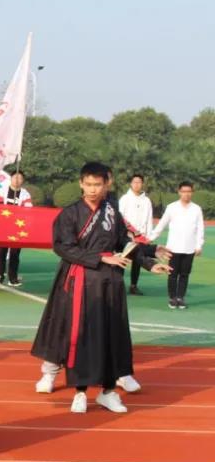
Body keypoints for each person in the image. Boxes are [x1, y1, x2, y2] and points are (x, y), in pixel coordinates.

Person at [31, 162, 170, 409]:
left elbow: (124, 242)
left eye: (98, 184)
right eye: (89, 184)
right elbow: (62, 246)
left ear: (107, 184)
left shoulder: (111, 212)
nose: (93, 190)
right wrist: (99, 257)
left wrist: (150, 258)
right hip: (79, 280)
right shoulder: (70, 213)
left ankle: (108, 390)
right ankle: (78, 389)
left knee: (111, 333)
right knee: (77, 333)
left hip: (109, 281)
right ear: (81, 184)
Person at [149, 182, 204, 309]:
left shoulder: (196, 209)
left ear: (192, 193)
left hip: (189, 248)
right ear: (179, 192)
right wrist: (150, 238)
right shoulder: (172, 207)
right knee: (172, 274)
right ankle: (172, 298)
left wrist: (199, 245)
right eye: (184, 191)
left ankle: (180, 297)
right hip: (173, 247)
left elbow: (200, 228)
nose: (186, 194)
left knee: (184, 274)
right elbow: (162, 224)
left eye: (189, 191)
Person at [0, 171, 33, 286]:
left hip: (18, 228)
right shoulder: (2, 191)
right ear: (11, 178)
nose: (17, 180)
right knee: (1, 252)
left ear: (23, 181)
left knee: (14, 254)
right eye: (15, 177)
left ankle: (12, 279)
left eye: (20, 178)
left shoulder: (25, 194)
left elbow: (29, 209)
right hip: (3, 227)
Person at [117, 174, 154, 295]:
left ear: (142, 184)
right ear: (131, 184)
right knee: (123, 260)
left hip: (141, 236)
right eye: (135, 182)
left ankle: (133, 285)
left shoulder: (146, 200)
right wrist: (128, 232)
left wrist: (148, 236)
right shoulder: (125, 199)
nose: (137, 184)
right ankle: (118, 285)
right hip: (127, 236)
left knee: (138, 261)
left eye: (139, 182)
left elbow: (149, 218)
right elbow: (120, 217)